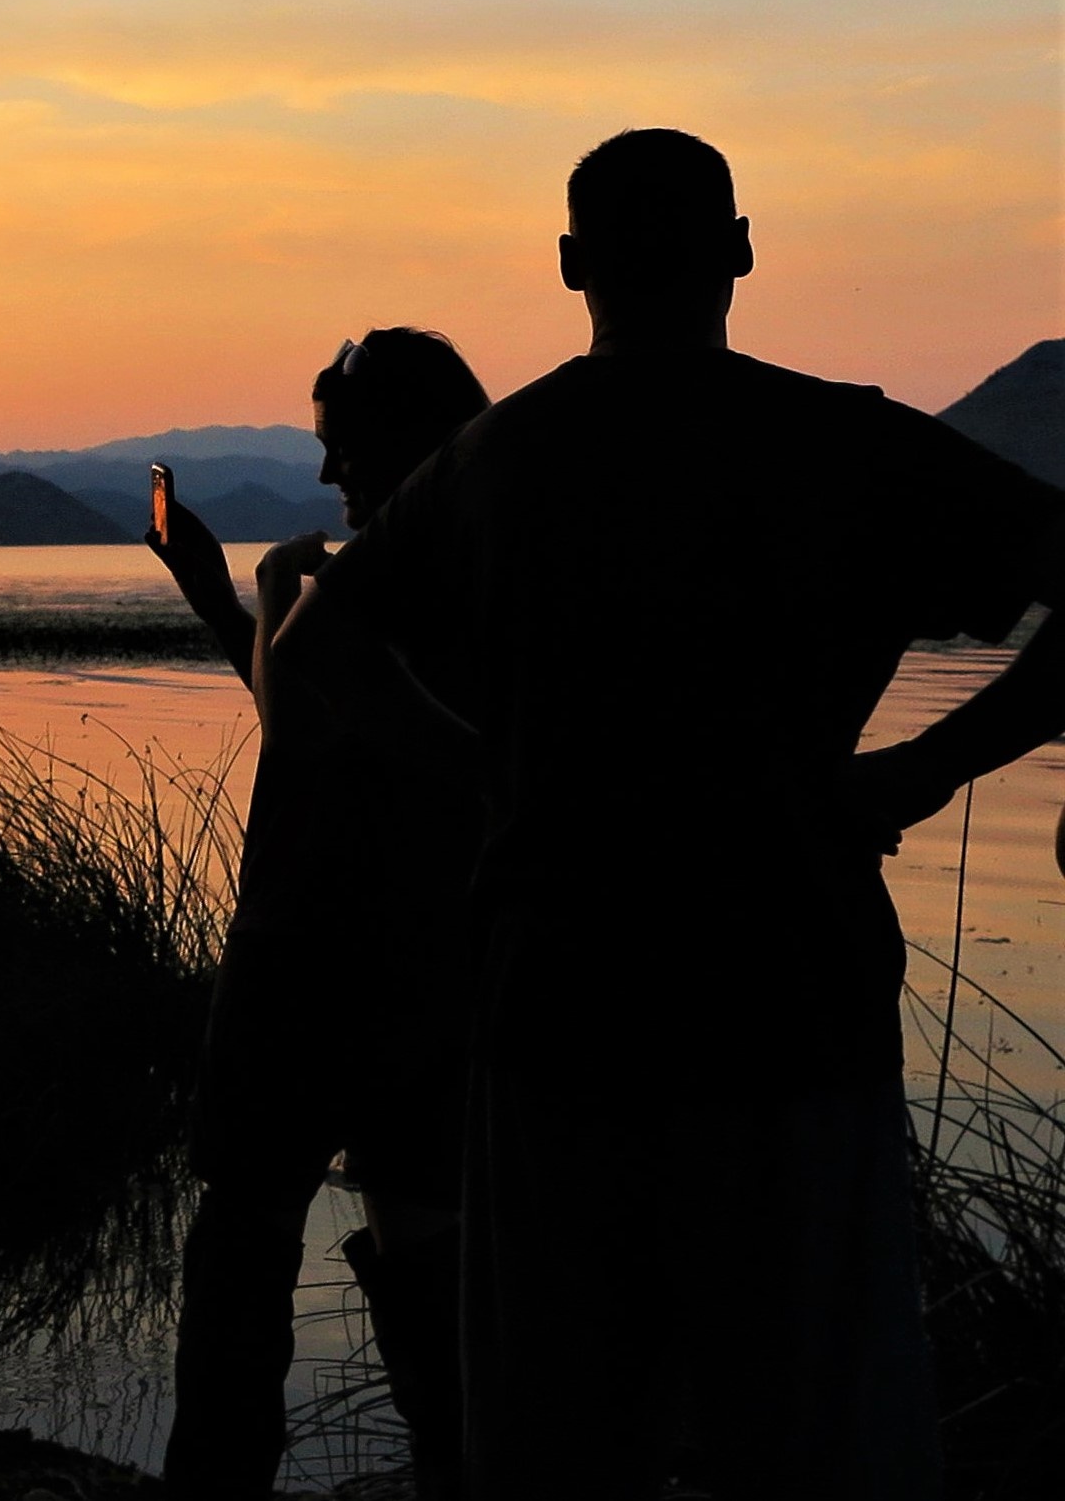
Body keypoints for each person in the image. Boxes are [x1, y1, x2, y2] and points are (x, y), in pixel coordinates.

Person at [276, 129, 1065, 1498]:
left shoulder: (498, 459)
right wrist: (918, 771)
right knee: (815, 1439)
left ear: (573, 264)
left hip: (556, 1013)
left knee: (563, 1441)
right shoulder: (847, 445)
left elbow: (312, 648)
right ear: (743, 251)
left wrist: (481, 768)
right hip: (792, 1002)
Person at [148, 329, 491, 1499]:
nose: (327, 474)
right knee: (419, 1237)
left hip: (312, 955)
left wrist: (271, 596)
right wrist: (217, 593)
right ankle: (454, 1463)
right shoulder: (486, 575)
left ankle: (219, 1476)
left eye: (341, 447)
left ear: (409, 440)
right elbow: (314, 712)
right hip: (428, 956)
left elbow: (307, 728)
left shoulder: (401, 580)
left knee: (248, 1229)